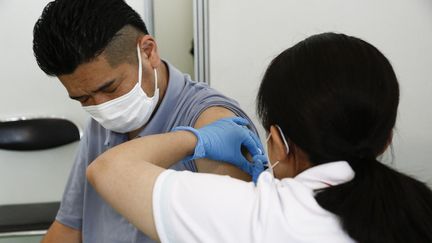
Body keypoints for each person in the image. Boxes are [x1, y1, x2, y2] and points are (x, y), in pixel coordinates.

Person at [87, 33, 432, 243]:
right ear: (386, 139)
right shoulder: (418, 208)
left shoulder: (255, 216)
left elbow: (108, 170)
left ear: (277, 142)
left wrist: (198, 139)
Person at [32, 0, 258, 242]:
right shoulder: (102, 119)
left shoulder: (213, 126)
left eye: (110, 87)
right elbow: (68, 228)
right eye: (83, 98)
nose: (101, 107)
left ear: (148, 51)